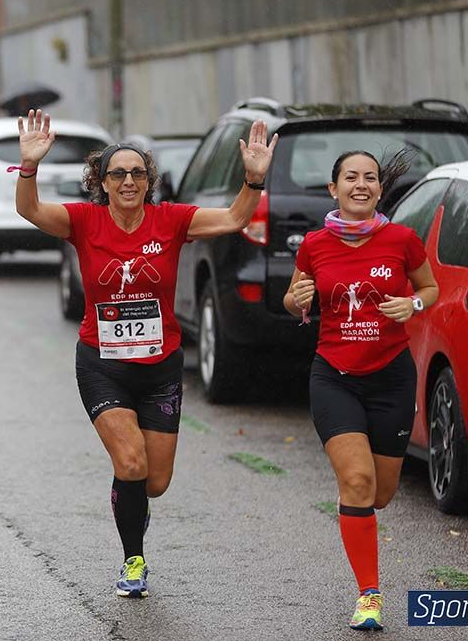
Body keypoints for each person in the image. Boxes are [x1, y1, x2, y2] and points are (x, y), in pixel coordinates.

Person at [15, 109, 276, 598]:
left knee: (153, 482)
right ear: (103, 182)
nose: (130, 180)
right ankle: (133, 559)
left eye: (138, 173)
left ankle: (132, 502)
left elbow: (237, 218)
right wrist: (28, 167)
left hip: (161, 368)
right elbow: (30, 211)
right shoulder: (83, 220)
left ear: (149, 181)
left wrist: (253, 179)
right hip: (102, 364)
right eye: (119, 173)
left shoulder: (171, 220)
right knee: (131, 463)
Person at [283, 150, 438, 631]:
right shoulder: (314, 244)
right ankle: (369, 594)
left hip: (391, 376)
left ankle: (360, 521)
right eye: (350, 177)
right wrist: (297, 300)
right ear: (333, 189)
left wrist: (410, 303)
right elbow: (294, 298)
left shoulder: (402, 239)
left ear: (379, 190)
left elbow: (430, 289)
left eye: (369, 178)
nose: (361, 184)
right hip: (334, 376)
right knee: (356, 482)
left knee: (381, 493)